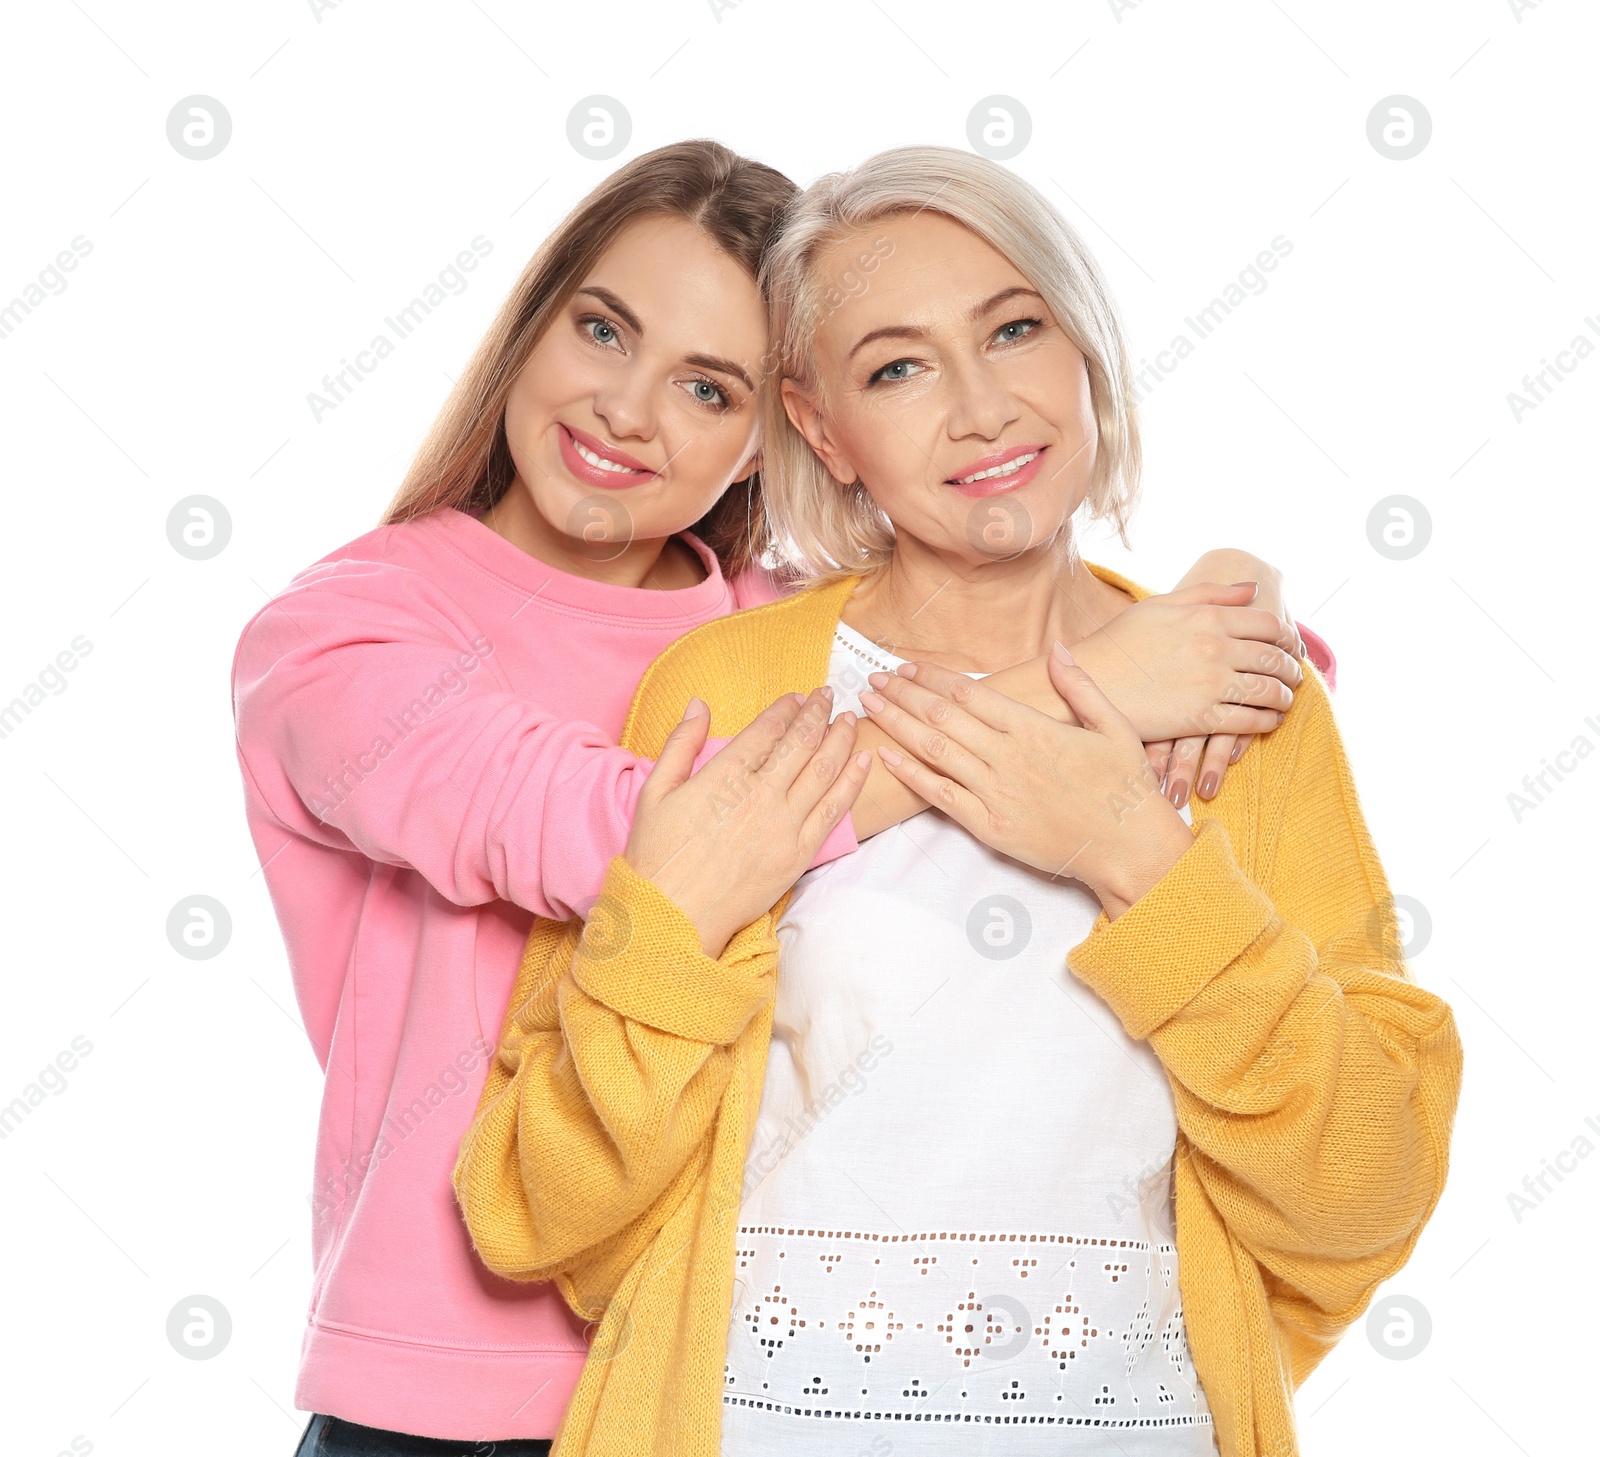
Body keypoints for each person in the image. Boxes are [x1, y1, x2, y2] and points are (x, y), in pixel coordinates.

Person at [236, 140, 1319, 1455]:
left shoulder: (769, 625)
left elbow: (1171, 650)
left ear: (779, 433)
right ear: (529, 327)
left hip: (721, 1385)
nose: (632, 412)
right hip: (451, 1392)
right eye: (603, 330)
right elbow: (622, 829)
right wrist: (1097, 688)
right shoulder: (345, 636)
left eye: (708, 386)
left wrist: (1241, 606)